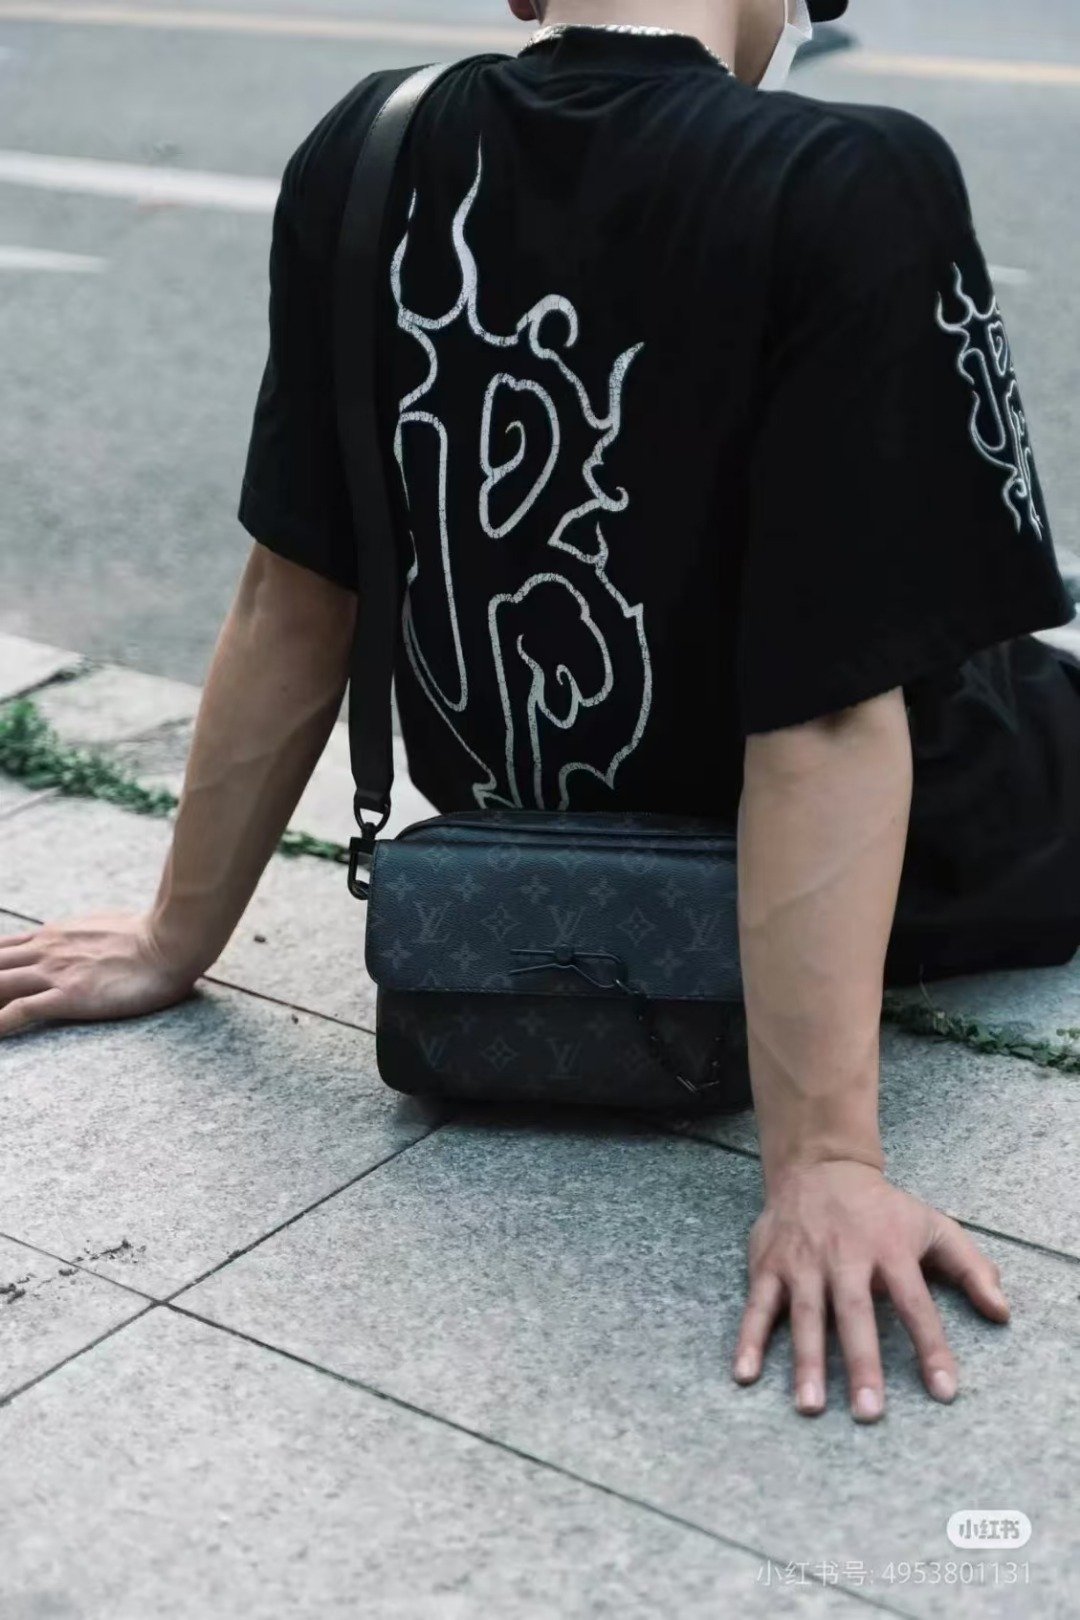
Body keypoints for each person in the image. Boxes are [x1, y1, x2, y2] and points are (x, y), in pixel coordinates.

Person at [1, 0, 1077, 1427]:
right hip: (946, 844)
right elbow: (827, 714)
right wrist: (825, 1163)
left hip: (536, 840)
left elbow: (296, 593)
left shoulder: (369, 147)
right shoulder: (847, 176)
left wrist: (174, 936)